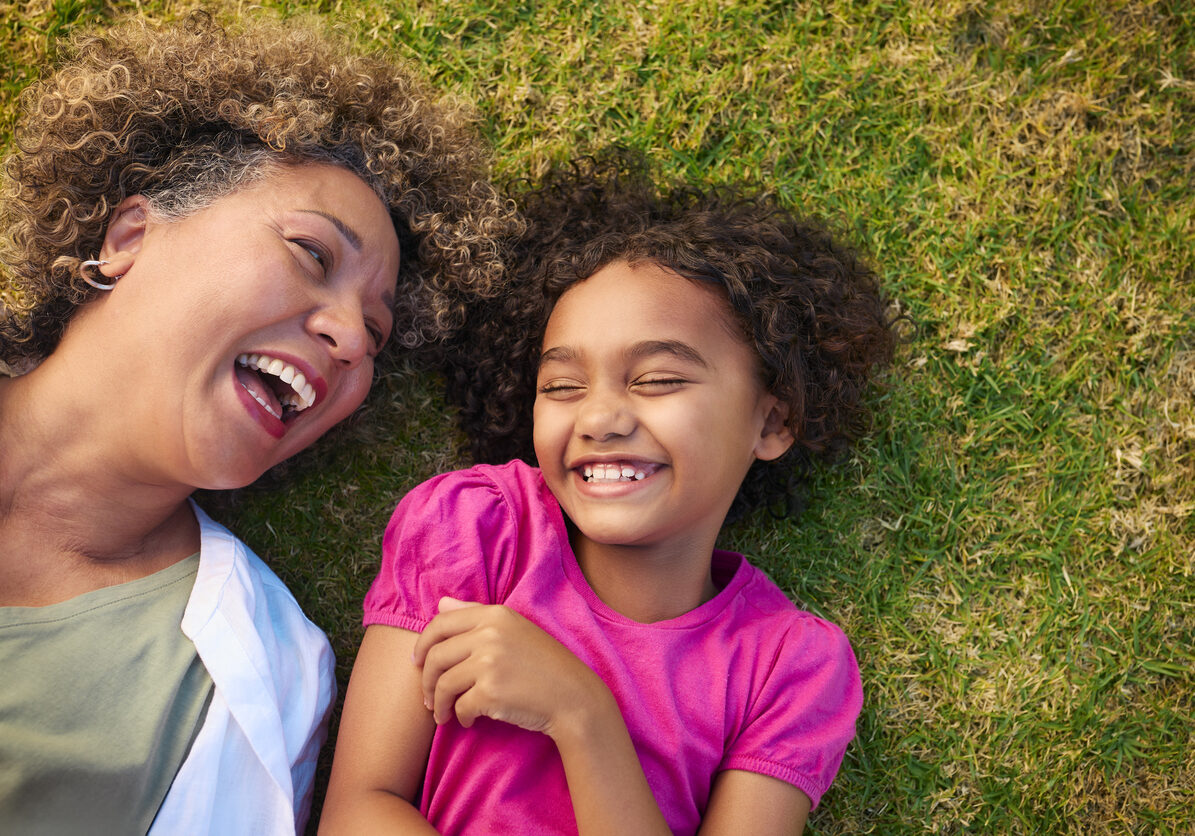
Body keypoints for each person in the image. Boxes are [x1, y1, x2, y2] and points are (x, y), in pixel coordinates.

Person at [0, 11, 516, 835]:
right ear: (131, 234)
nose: (350, 338)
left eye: (375, 335)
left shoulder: (266, 675)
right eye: (313, 254)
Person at [320, 158, 896, 835]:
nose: (598, 419)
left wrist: (580, 714)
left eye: (655, 379)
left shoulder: (790, 667)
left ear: (771, 422)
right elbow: (358, 810)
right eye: (562, 387)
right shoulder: (476, 528)